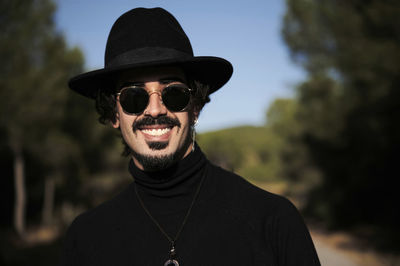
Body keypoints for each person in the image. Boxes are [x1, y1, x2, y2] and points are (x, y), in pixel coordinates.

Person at [61, 7, 320, 266]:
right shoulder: (85, 241)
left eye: (174, 93)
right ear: (114, 114)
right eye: (133, 97)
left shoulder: (273, 221)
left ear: (195, 107)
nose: (154, 109)